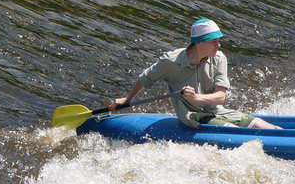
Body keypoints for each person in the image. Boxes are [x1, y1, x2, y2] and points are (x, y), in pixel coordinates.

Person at [110, 18, 282, 130]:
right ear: (199, 43)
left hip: (217, 111)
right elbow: (145, 78)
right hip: (193, 117)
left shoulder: (220, 58)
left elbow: (220, 97)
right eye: (214, 41)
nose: (219, 45)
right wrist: (128, 100)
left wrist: (197, 97)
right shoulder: (171, 61)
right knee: (234, 130)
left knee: (267, 127)